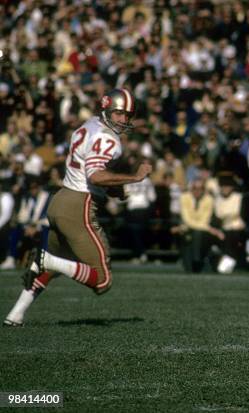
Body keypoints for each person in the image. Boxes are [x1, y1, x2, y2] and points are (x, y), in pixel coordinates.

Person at [4, 88, 153, 327]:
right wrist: (134, 178)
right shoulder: (109, 138)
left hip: (59, 201)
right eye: (119, 114)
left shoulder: (89, 124)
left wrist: (116, 190)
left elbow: (88, 171)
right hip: (79, 206)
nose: (124, 120)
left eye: (127, 115)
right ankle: (47, 260)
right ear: (106, 110)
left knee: (59, 262)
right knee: (102, 280)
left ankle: (15, 314)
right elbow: (95, 176)